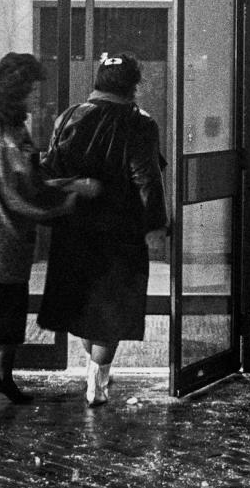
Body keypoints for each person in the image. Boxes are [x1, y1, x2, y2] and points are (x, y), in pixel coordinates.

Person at [0, 51, 100, 405]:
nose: (37, 96)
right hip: (6, 229)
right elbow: (31, 186)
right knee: (9, 301)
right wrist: (74, 191)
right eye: (32, 89)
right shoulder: (16, 134)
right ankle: (0, 375)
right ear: (17, 91)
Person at [37, 52, 169, 406]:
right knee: (113, 307)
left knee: (83, 306)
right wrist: (155, 225)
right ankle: (99, 375)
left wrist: (76, 185)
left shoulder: (69, 116)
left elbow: (49, 170)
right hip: (119, 232)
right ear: (133, 86)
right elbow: (147, 178)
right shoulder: (141, 123)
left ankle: (92, 371)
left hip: (74, 228)